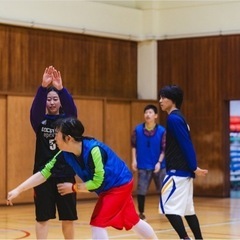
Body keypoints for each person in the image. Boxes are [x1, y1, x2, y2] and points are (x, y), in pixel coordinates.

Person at [7, 117, 159, 240]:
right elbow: (43, 173)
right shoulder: (64, 153)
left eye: (57, 135)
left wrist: (73, 188)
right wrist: (18, 190)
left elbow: (97, 181)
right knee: (133, 220)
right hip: (109, 188)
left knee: (97, 223)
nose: (54, 139)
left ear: (68, 138)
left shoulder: (94, 150)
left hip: (119, 185)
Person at [30, 66, 78, 239]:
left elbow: (72, 110)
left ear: (60, 102)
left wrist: (61, 89)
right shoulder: (40, 122)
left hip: (65, 175)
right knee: (42, 217)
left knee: (68, 218)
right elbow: (34, 111)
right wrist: (43, 87)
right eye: (48, 99)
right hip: (43, 176)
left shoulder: (67, 121)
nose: (51, 102)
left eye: (55, 99)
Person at [158, 84, 208, 240]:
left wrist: (194, 166)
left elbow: (186, 143)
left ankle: (185, 238)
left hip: (177, 173)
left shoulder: (173, 118)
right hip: (183, 173)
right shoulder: (178, 117)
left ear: (172, 100)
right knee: (188, 211)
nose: (160, 101)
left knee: (167, 207)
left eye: (163, 97)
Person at [131, 104, 166, 220]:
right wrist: (134, 160)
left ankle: (166, 210)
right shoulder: (137, 130)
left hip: (158, 165)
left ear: (155, 115)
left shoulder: (162, 131)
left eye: (150, 112)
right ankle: (141, 212)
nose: (148, 115)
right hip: (143, 164)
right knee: (141, 189)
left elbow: (164, 148)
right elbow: (134, 146)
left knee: (163, 189)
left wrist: (159, 162)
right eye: (146, 112)